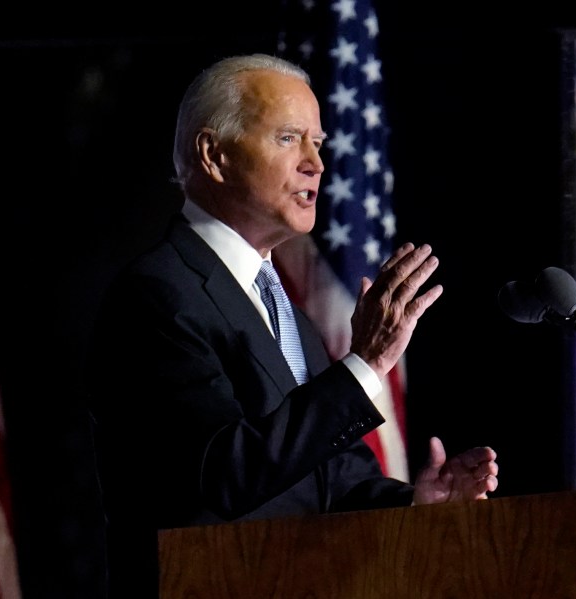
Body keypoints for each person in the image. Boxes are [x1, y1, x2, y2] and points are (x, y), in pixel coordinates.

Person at [87, 53, 498, 596]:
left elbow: (328, 477)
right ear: (214, 155)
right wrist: (365, 363)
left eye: (318, 143)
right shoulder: (158, 294)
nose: (316, 164)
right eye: (288, 138)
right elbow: (226, 474)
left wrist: (413, 501)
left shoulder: (286, 313)